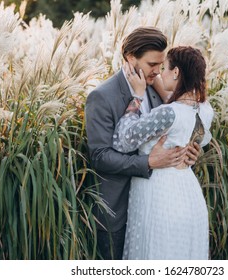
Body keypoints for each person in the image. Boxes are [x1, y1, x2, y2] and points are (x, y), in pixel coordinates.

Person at [85, 27, 200, 260]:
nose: (158, 71)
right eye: (151, 65)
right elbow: (99, 156)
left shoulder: (160, 90)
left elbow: (186, 121)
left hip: (155, 207)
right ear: (130, 58)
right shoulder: (101, 97)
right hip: (117, 210)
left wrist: (190, 151)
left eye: (161, 64)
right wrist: (147, 161)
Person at [113, 46, 214, 259]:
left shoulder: (167, 113)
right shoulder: (205, 109)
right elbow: (196, 138)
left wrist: (137, 97)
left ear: (176, 73)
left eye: (165, 68)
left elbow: (124, 140)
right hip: (189, 195)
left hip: (160, 195)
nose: (160, 73)